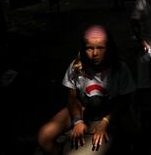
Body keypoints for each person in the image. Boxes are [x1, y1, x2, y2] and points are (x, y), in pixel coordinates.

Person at [37, 25, 137, 155]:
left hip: (111, 111)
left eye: (100, 48)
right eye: (89, 48)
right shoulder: (77, 66)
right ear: (83, 49)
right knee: (44, 137)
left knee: (137, 135)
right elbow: (72, 97)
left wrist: (105, 122)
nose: (94, 53)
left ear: (109, 48)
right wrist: (77, 121)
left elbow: (125, 100)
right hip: (83, 109)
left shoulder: (119, 68)